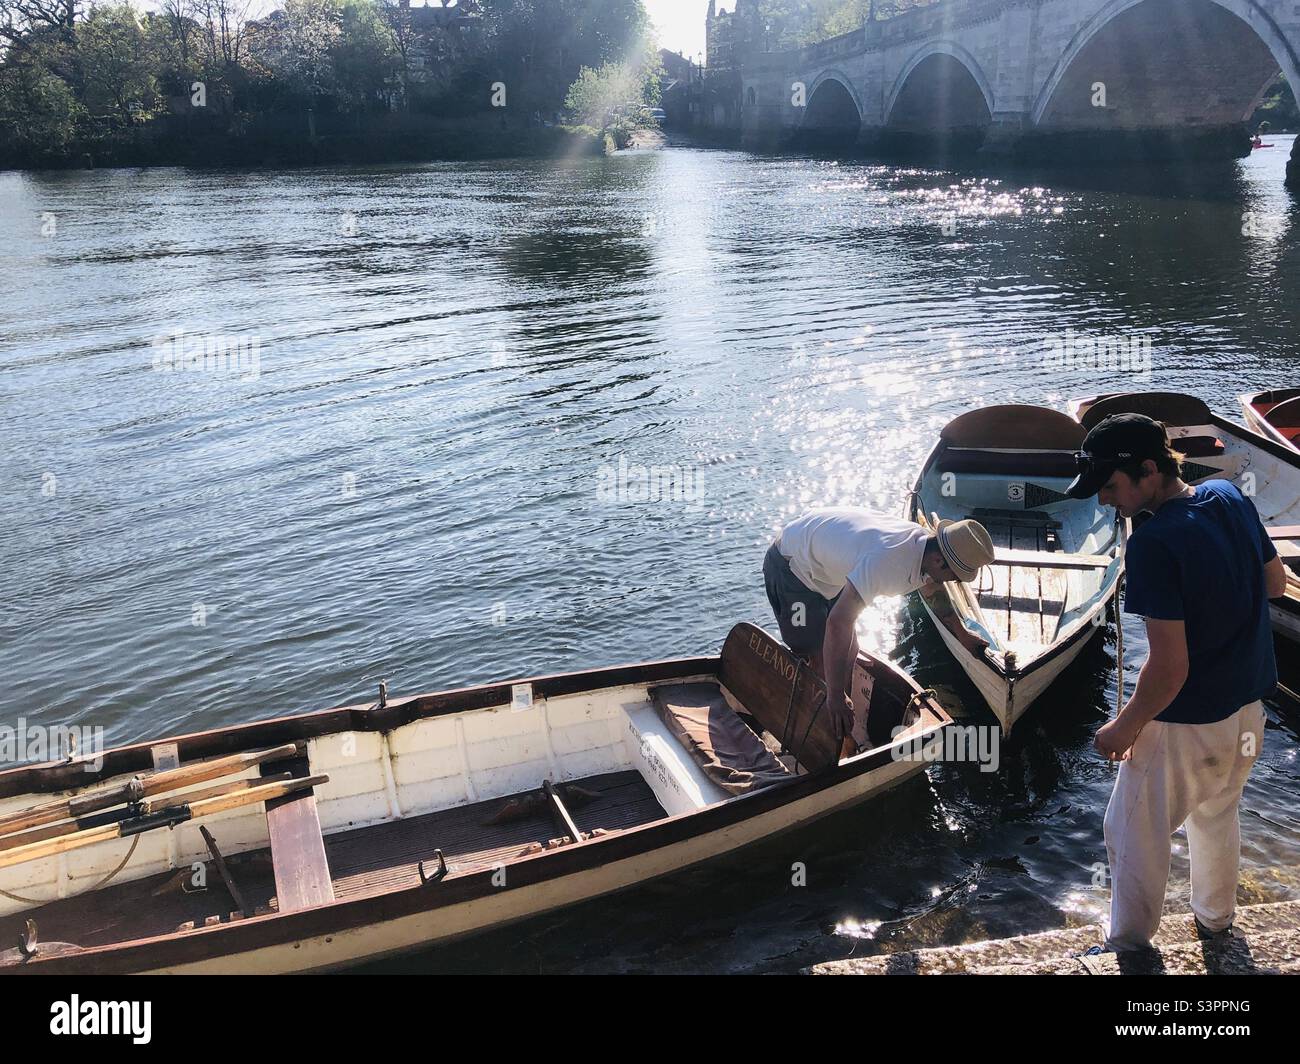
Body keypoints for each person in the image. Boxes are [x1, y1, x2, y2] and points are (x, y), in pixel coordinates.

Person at [1066, 413, 1286, 951]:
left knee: (1132, 834)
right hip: (1246, 709)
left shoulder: (1153, 544)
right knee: (1216, 817)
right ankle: (1215, 922)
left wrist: (1124, 728)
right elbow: (1275, 582)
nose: (1103, 502)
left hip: (1184, 723)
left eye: (1110, 487)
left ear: (1148, 470)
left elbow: (1168, 669)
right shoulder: (1227, 495)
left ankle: (1128, 945)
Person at [764, 508, 995, 759]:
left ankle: (841, 726)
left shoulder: (924, 547)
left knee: (849, 653)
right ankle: (816, 742)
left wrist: (962, 633)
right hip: (791, 567)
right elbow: (838, 624)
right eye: (955, 576)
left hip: (826, 569)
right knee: (819, 660)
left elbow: (933, 590)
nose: (952, 582)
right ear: (939, 561)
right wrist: (835, 695)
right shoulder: (889, 562)